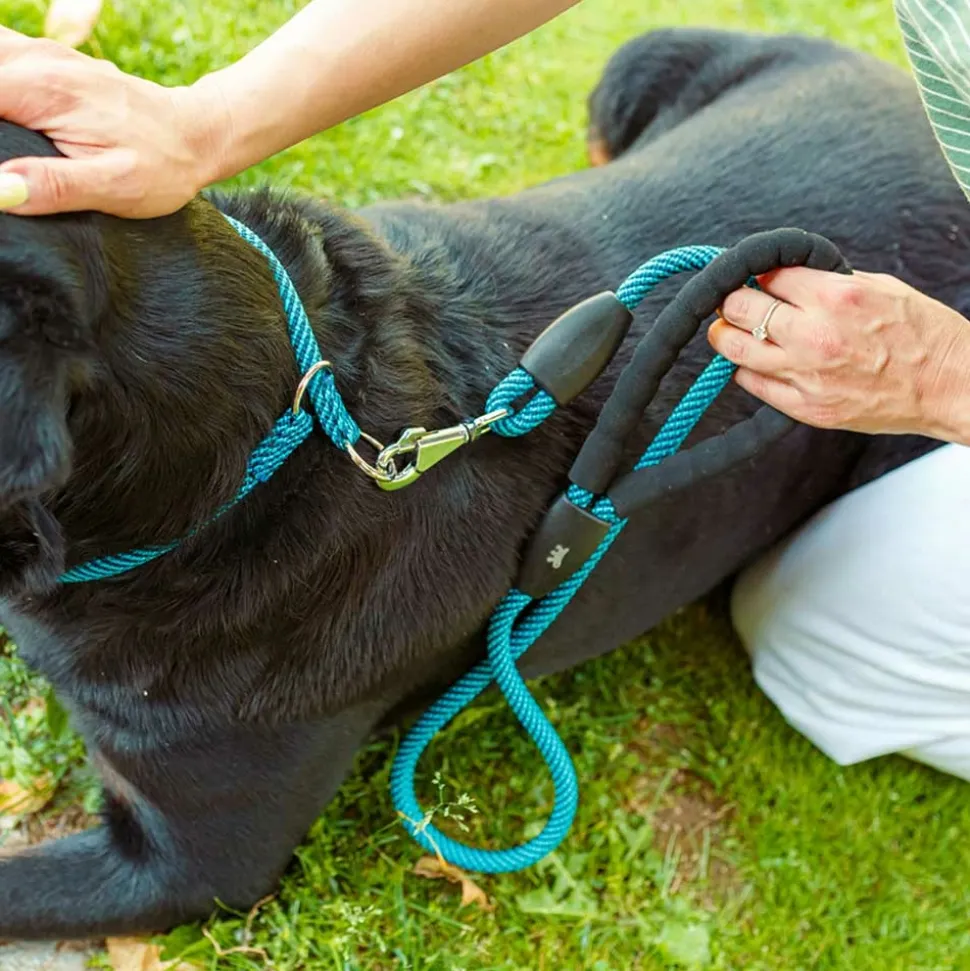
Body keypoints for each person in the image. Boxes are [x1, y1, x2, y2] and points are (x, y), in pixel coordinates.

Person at [1, 0, 969, 779]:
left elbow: (185, 862)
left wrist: (937, 379)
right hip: (848, 109)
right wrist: (203, 120)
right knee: (650, 67)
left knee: (820, 641)